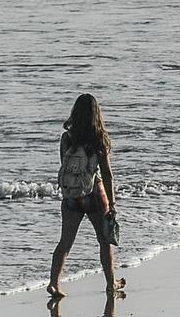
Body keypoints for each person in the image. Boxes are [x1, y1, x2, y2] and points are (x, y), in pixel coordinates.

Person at [48, 93, 124, 300]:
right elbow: (106, 173)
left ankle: (54, 283)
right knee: (104, 241)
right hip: (94, 194)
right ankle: (111, 283)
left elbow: (66, 165)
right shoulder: (98, 138)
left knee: (65, 242)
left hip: (71, 195)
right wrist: (112, 203)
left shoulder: (67, 138)